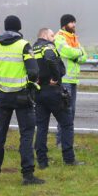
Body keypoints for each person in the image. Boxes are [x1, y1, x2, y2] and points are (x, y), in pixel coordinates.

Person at [0, 15, 44, 186]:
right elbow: (33, 71)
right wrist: (29, 83)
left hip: (1, 95)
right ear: (19, 28)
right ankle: (27, 175)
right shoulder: (23, 45)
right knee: (26, 134)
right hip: (22, 96)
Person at [31, 28, 80, 169]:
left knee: (41, 127)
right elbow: (51, 59)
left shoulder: (32, 49)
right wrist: (56, 77)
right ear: (44, 35)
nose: (53, 38)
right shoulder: (48, 47)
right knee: (67, 124)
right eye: (52, 35)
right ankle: (69, 158)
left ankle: (42, 161)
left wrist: (35, 80)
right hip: (52, 91)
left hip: (39, 92)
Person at [53, 14, 86, 145]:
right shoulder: (59, 38)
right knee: (65, 112)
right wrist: (78, 53)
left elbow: (85, 57)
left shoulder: (74, 39)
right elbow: (69, 53)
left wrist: (77, 54)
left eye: (74, 22)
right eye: (72, 22)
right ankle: (61, 141)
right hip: (64, 80)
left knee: (71, 113)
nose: (74, 25)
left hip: (73, 81)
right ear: (64, 24)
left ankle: (67, 141)